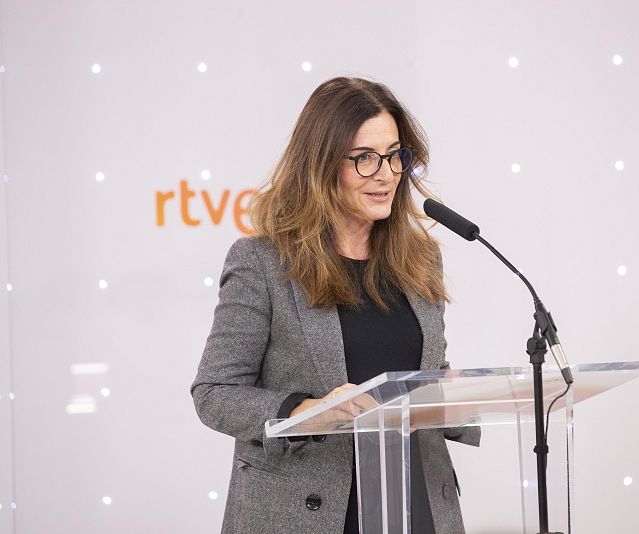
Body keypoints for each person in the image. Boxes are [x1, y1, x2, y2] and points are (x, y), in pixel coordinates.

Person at [191, 76, 480, 534]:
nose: (385, 173)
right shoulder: (262, 262)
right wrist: (305, 411)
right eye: (364, 158)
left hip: (417, 505)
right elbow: (214, 393)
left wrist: (452, 395)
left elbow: (423, 369)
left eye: (394, 155)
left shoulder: (421, 258)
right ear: (322, 165)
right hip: (305, 513)